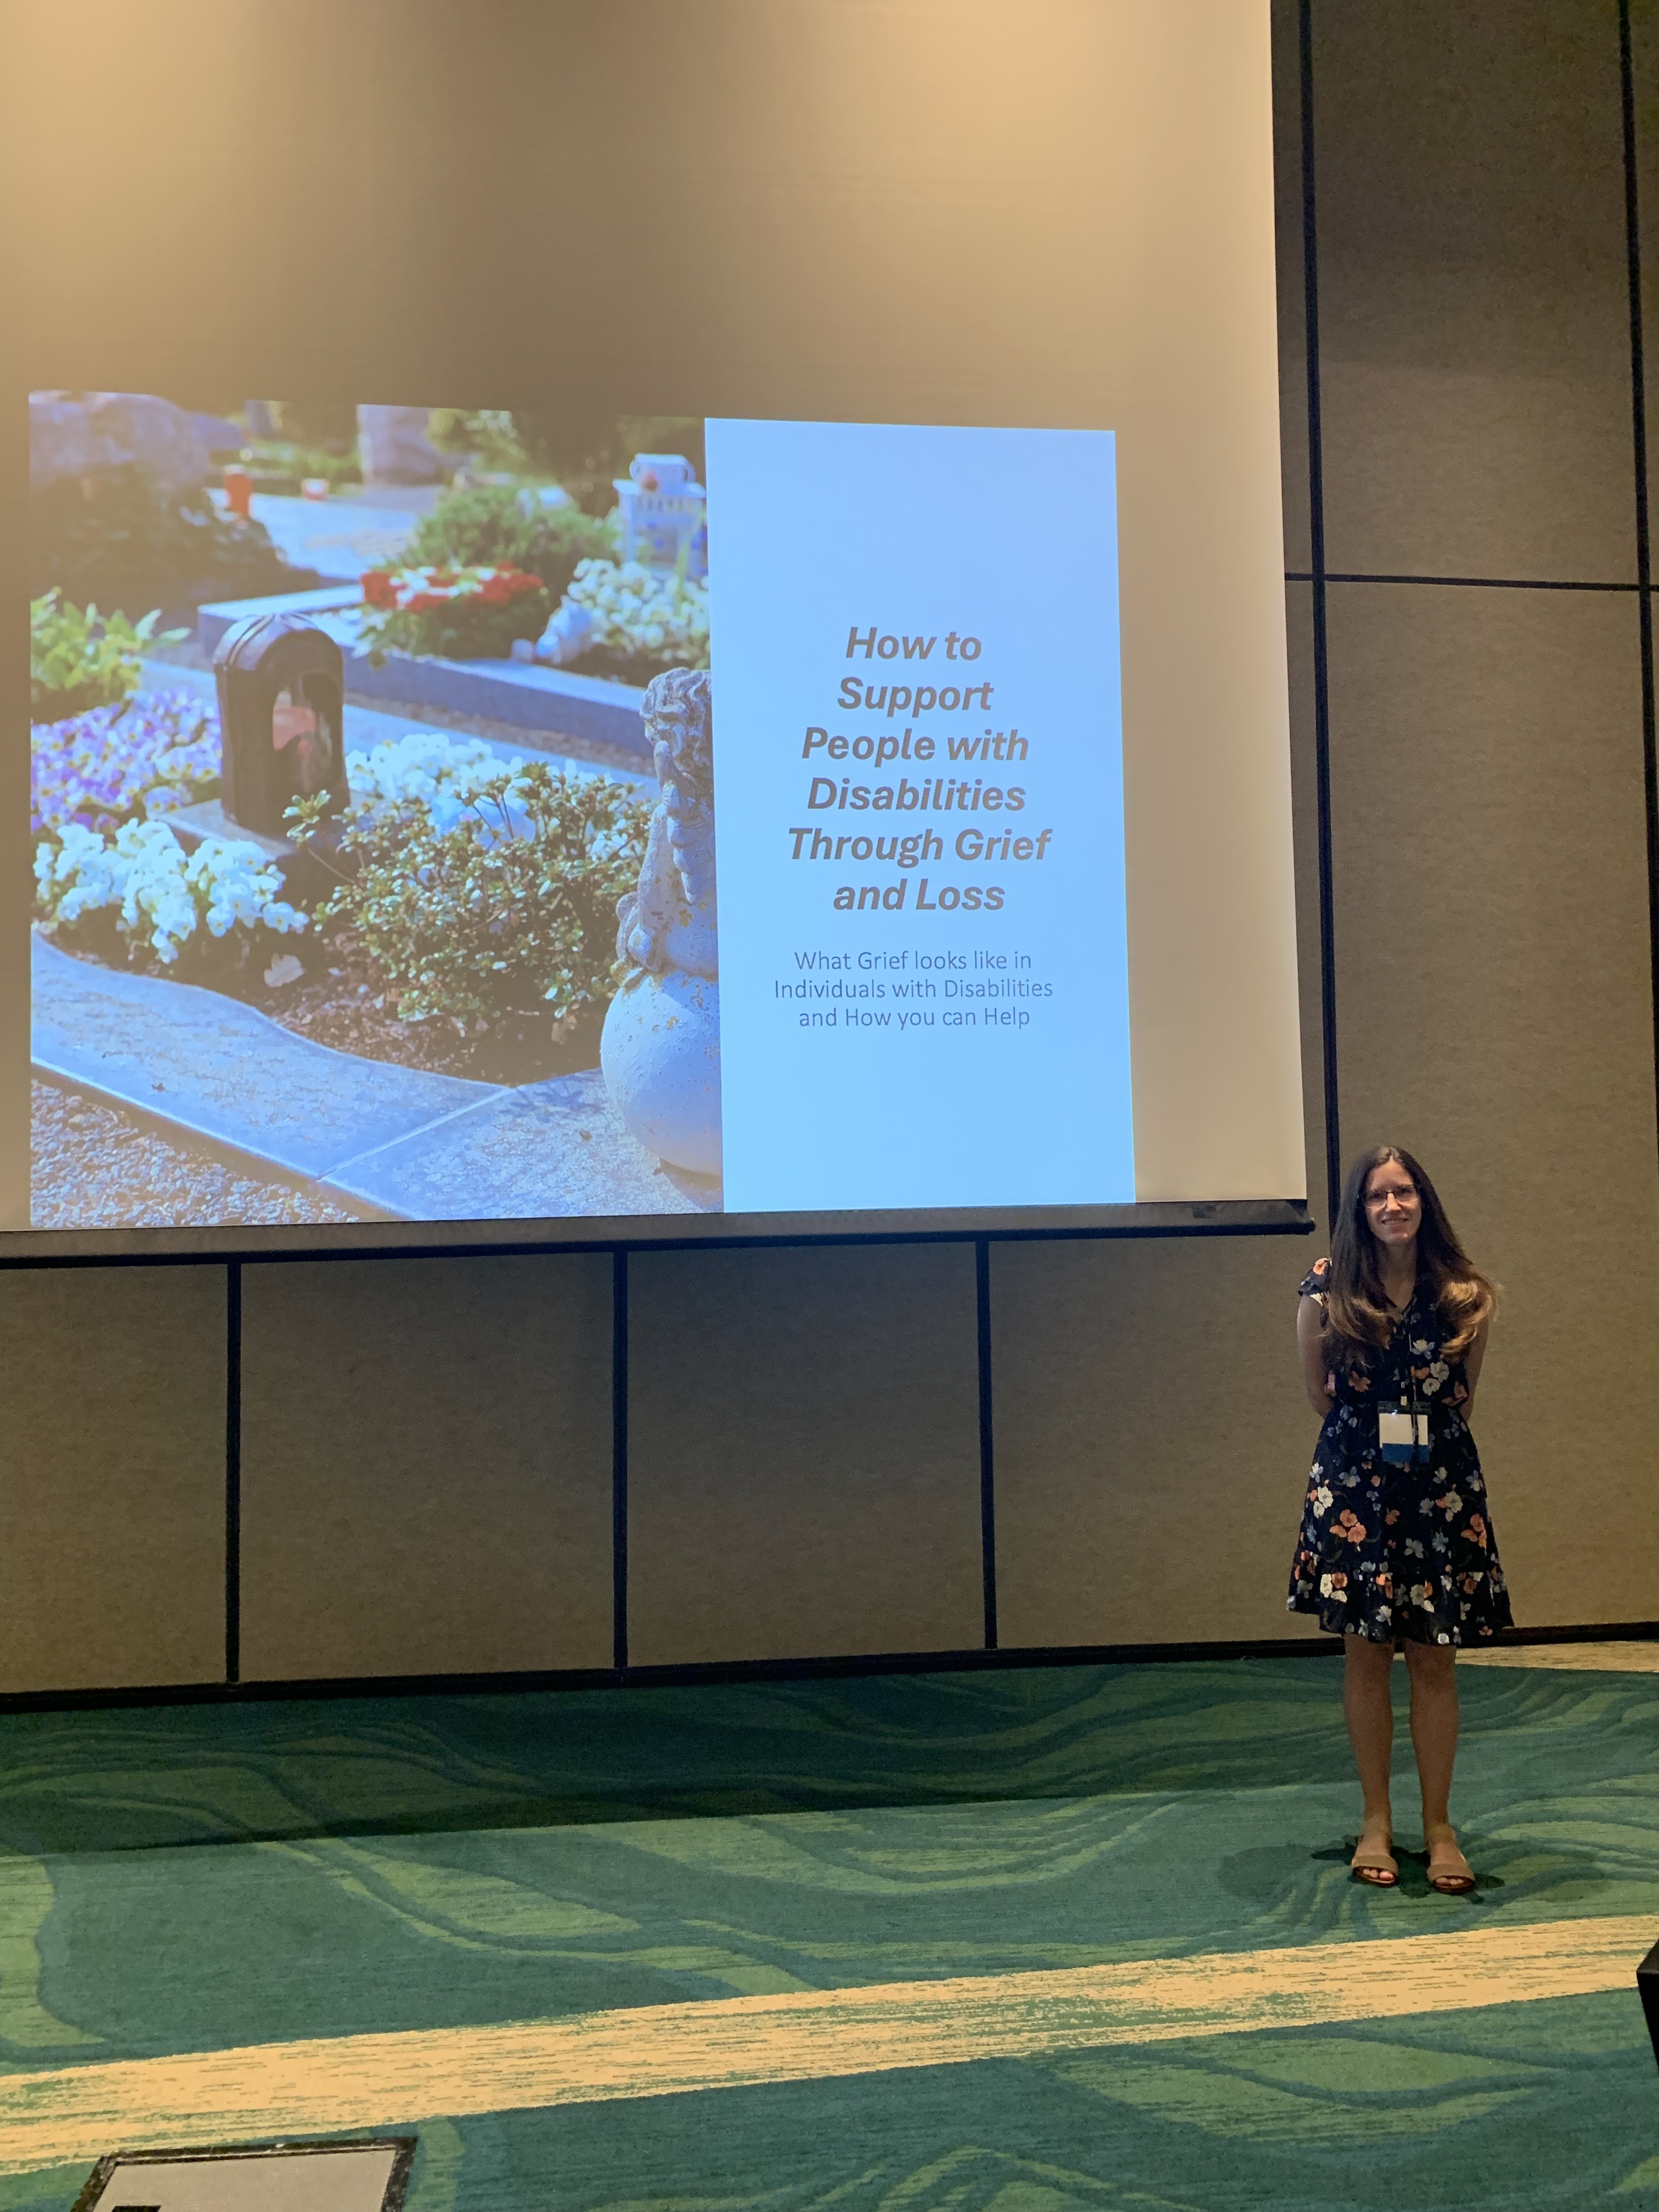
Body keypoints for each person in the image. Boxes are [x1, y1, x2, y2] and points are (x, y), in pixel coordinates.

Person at [1287, 1144, 1510, 1892]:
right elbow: (1318, 1396)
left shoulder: (1462, 1294)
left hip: (1439, 1487)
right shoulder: (1326, 1290)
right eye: (1377, 1196)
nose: (1392, 1206)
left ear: (1424, 1201)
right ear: (1360, 1210)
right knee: (1366, 1657)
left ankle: (1440, 1828)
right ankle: (1376, 1822)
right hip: (1356, 1487)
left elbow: (1464, 1399)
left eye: (1405, 1192)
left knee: (1435, 1659)